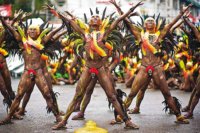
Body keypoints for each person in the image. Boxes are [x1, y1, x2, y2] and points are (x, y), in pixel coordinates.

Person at [45, 1, 143, 130]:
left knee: (112, 97)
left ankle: (127, 121)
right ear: (89, 22)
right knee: (78, 96)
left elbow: (119, 19)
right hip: (88, 68)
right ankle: (63, 122)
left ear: (101, 22)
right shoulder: (84, 34)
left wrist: (132, 9)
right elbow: (70, 21)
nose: (95, 18)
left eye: (98, 17)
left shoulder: (105, 34)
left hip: (102, 68)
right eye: (93, 17)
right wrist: (55, 12)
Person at [111, 0, 191, 123]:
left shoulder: (160, 34)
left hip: (157, 67)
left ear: (155, 24)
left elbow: (170, 25)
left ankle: (179, 116)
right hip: (144, 67)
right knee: (132, 93)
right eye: (147, 21)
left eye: (151, 21)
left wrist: (181, 14)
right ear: (144, 24)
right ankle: (122, 116)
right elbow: (127, 21)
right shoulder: (140, 35)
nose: (149, 22)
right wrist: (118, 7)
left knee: (166, 93)